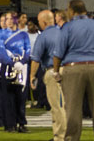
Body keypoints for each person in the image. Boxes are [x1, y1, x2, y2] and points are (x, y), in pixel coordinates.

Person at [52, 0, 94, 141]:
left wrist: (56, 71)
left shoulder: (68, 27)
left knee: (73, 110)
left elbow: (58, 53)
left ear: (71, 11)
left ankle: (72, 139)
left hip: (74, 69)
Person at [32, 9, 66, 141]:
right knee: (67, 105)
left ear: (44, 22)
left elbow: (36, 58)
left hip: (53, 71)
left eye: (39, 22)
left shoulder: (44, 35)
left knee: (56, 106)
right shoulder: (64, 32)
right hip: (69, 70)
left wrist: (32, 76)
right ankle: (69, 135)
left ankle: (60, 137)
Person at [0, 12, 30, 133]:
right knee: (8, 98)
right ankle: (10, 124)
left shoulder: (23, 34)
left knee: (21, 97)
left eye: (12, 18)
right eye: (7, 19)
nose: (10, 21)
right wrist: (11, 62)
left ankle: (21, 123)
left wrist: (22, 61)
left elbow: (28, 50)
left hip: (21, 68)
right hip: (6, 67)